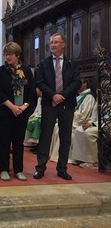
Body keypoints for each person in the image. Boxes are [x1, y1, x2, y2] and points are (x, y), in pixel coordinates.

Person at [33, 33, 81, 181]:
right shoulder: (44, 63)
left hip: (67, 104)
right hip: (49, 103)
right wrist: (53, 95)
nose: (52, 45)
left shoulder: (72, 63)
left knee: (65, 138)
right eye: (51, 42)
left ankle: (62, 169)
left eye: (56, 42)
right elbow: (40, 82)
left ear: (63, 45)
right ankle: (40, 168)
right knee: (45, 136)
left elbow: (76, 82)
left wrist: (62, 96)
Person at [0, 42, 36, 181]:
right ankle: (4, 169)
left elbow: (31, 91)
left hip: (22, 112)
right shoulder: (1, 71)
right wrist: (12, 107)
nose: (7, 57)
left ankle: (18, 170)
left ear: (17, 55)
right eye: (5, 54)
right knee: (5, 142)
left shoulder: (26, 70)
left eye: (10, 54)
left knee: (18, 142)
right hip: (6, 112)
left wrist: (24, 107)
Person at [49, 78, 96, 162]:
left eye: (78, 84)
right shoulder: (79, 96)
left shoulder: (89, 97)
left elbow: (84, 114)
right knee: (56, 125)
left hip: (79, 121)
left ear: (85, 84)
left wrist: (69, 116)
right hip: (74, 119)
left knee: (62, 127)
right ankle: (55, 154)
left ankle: (61, 156)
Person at [70, 101, 98, 166]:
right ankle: (79, 158)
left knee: (88, 133)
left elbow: (107, 120)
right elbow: (94, 116)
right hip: (95, 124)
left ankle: (92, 161)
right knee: (78, 130)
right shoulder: (99, 101)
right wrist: (89, 122)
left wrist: (92, 124)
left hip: (105, 126)